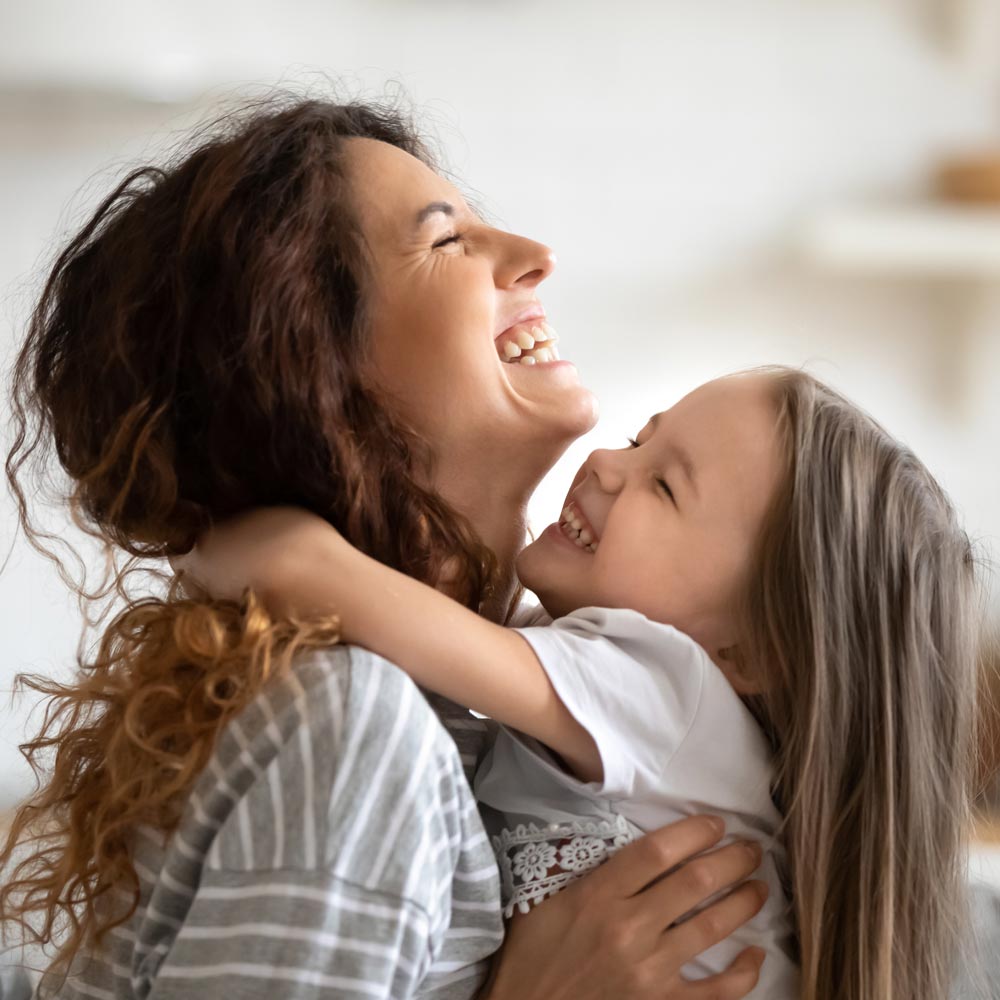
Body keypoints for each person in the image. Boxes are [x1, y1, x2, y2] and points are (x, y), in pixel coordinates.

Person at [0, 96, 769, 999]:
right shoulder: (354, 729)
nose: (535, 257)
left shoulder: (495, 710)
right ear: (317, 376)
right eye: (447, 242)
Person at [180, 367, 980, 1000]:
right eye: (640, 438)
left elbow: (304, 574)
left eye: (665, 486)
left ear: (750, 652)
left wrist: (202, 529)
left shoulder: (666, 685)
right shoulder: (621, 695)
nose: (606, 461)